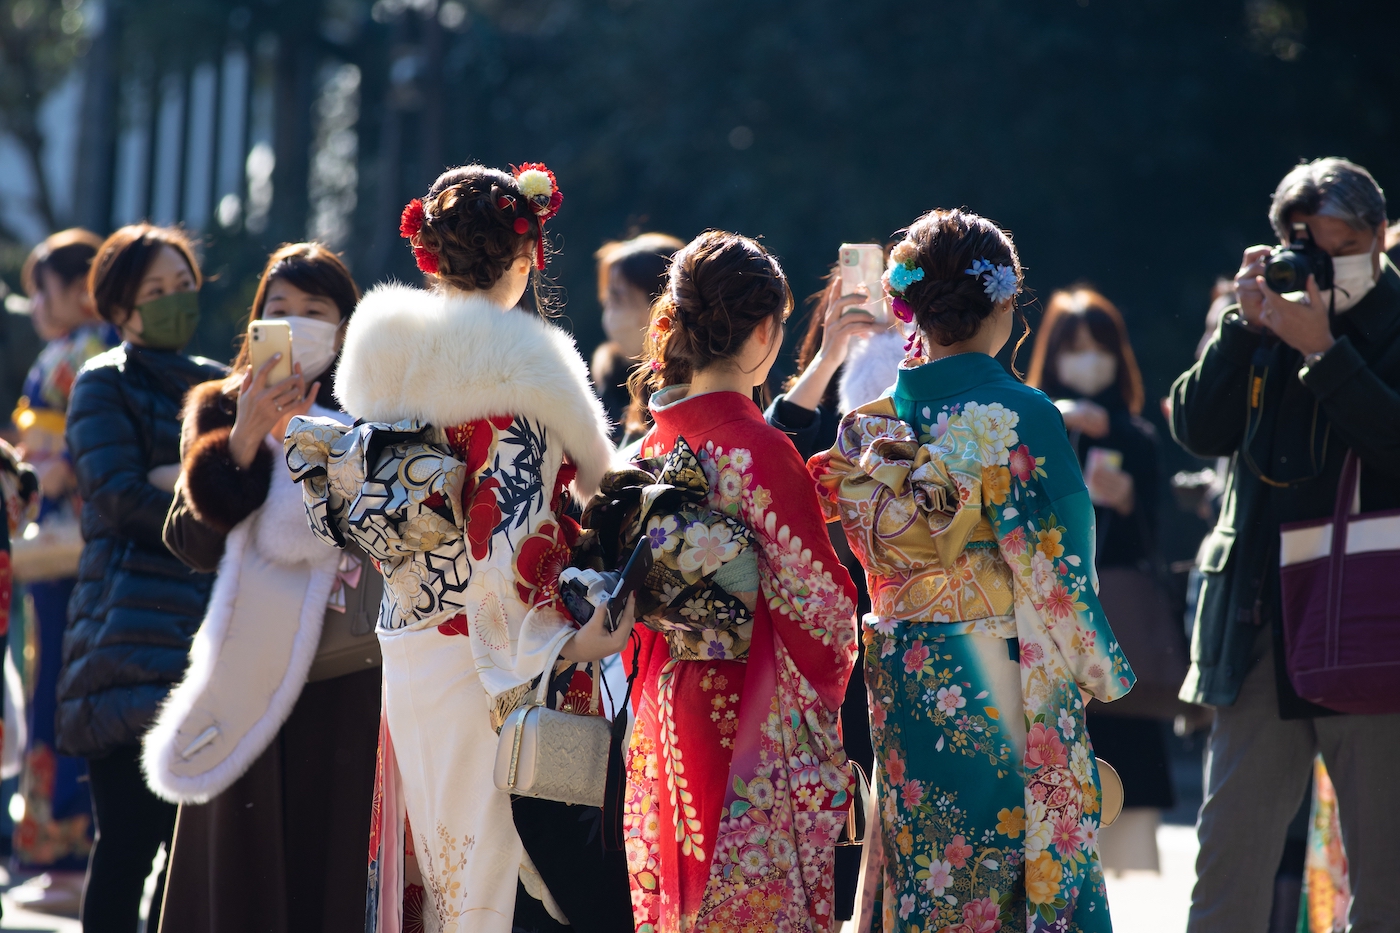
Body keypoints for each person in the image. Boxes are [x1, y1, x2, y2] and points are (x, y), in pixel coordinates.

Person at [285, 163, 625, 933]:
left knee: (436, 850)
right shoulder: (529, 370)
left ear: (429, 256)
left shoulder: (383, 354)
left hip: (411, 639)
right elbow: (513, 543)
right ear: (527, 254)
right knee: (515, 867)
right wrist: (567, 642)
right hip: (499, 653)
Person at [809, 208, 1134, 933]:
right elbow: (1063, 568)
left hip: (904, 675)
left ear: (910, 309)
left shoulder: (869, 426)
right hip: (1004, 681)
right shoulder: (1021, 415)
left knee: (923, 871)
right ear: (1005, 306)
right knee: (1013, 875)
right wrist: (1093, 664)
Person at [1171, 157, 1400, 932]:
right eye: (1305, 248)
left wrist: (1328, 355)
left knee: (1388, 874)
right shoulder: (1264, 317)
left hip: (1374, 626)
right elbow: (1197, 428)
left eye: (1339, 248)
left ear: (1377, 237)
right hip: (1261, 619)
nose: (1321, 266)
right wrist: (1242, 328)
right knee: (1229, 858)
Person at [622, 230, 860, 932]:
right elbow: (821, 605)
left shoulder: (652, 442)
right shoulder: (758, 447)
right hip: (749, 706)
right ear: (764, 331)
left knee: (688, 892)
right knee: (752, 901)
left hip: (666, 692)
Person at [147, 243, 381, 933]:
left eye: (317, 311)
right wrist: (245, 439)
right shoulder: (222, 403)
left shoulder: (376, 411)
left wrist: (318, 444)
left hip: (346, 674)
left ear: (347, 326)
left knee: (326, 854)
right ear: (256, 323)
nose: (299, 323)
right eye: (281, 310)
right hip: (248, 661)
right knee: (238, 861)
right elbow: (188, 541)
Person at [56, 225, 225, 932]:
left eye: (182, 287)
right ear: (120, 309)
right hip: (124, 641)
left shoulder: (218, 383)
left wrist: (181, 482)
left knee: (189, 855)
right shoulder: (103, 382)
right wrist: (207, 499)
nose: (172, 302)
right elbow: (118, 494)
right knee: (128, 844)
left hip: (203, 644)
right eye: (155, 292)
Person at [1025, 286, 1175, 872]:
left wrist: (1132, 500)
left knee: (1126, 758)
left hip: (1117, 618)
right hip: (1050, 619)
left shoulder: (1135, 435)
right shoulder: (1032, 427)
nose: (1089, 359)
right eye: (1075, 348)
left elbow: (1155, 537)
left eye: (1099, 347)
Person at [9, 230, 115, 896]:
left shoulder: (89, 351)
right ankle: (57, 847)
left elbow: (70, 451)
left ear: (81, 288)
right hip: (60, 544)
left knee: (60, 687)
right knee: (50, 681)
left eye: (41, 289)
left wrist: (38, 471)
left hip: (69, 539)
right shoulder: (77, 349)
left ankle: (68, 848)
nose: (35, 304)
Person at [591, 233, 684, 443]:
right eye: (606, 299)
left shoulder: (705, 379)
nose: (608, 312)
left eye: (617, 298)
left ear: (662, 304)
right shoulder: (611, 380)